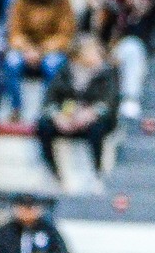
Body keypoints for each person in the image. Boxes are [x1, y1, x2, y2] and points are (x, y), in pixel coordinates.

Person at [37, 36, 120, 185]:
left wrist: (90, 114)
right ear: (80, 55)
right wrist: (58, 116)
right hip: (67, 118)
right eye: (93, 52)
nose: (97, 55)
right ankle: (54, 173)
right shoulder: (64, 72)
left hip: (94, 120)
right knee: (43, 126)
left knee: (98, 128)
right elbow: (49, 101)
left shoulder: (107, 73)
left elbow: (109, 103)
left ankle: (97, 171)